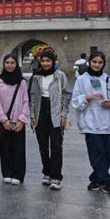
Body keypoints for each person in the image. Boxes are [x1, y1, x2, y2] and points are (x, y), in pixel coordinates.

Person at [72, 52, 110, 194]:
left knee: (106, 154)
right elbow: (76, 100)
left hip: (106, 123)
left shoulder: (108, 80)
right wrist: (88, 97)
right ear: (89, 62)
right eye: (94, 62)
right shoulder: (81, 80)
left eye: (100, 62)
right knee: (97, 153)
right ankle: (107, 181)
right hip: (90, 123)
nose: (97, 65)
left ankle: (96, 179)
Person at [29, 50, 72, 190]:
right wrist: (32, 116)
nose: (45, 63)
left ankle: (56, 176)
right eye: (43, 61)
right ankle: (46, 173)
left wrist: (64, 114)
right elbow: (33, 96)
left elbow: (66, 95)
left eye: (48, 61)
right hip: (40, 111)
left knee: (56, 145)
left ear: (53, 62)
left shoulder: (60, 76)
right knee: (42, 145)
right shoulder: (36, 76)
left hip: (55, 111)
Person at [0, 54, 29, 185]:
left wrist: (22, 119)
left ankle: (18, 174)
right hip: (5, 122)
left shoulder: (22, 82)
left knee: (18, 148)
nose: (9, 65)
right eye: (7, 62)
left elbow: (26, 100)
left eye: (12, 62)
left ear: (16, 64)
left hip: (18, 121)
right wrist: (4, 119)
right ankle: (7, 172)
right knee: (5, 148)